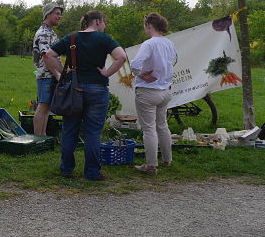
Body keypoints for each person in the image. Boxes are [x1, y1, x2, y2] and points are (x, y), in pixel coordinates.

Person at [44, 10, 127, 180]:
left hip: (73, 90)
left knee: (69, 130)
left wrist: (63, 73)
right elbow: (121, 57)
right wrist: (106, 73)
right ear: (97, 21)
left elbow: (49, 55)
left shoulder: (71, 38)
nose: (104, 26)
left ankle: (66, 170)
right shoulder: (104, 39)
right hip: (97, 89)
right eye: (104, 22)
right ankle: (92, 173)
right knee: (93, 133)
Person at [130, 13, 176, 175]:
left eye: (145, 26)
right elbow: (173, 62)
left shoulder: (149, 44)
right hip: (165, 91)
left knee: (149, 129)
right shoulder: (169, 43)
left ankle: (151, 165)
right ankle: (167, 159)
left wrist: (141, 74)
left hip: (148, 91)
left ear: (149, 25)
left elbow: (135, 64)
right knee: (162, 126)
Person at [32, 2, 63, 135]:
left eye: (60, 14)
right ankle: (38, 138)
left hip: (50, 75)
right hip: (46, 75)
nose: (59, 16)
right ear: (48, 14)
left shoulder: (50, 32)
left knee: (47, 107)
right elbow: (46, 57)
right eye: (57, 13)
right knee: (43, 106)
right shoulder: (43, 33)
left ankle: (42, 136)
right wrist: (57, 75)